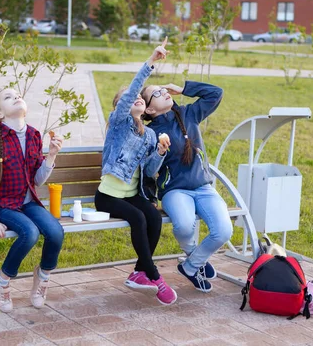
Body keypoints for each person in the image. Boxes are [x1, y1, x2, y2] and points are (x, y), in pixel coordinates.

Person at [95, 38, 177, 305]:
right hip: (108, 196)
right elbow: (131, 92)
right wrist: (151, 61)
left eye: (140, 99)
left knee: (152, 216)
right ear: (121, 106)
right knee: (138, 220)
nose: (137, 100)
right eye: (130, 99)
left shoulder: (151, 134)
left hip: (132, 194)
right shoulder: (118, 124)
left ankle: (139, 273)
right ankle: (153, 274)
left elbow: (151, 171)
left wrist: (161, 152)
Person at [0, 88, 64, 312]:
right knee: (30, 233)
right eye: (8, 97)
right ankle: (1, 280)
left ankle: (42, 276)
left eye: (17, 95)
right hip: (4, 205)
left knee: (55, 232)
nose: (16, 97)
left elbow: (37, 179)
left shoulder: (34, 135)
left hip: (28, 203)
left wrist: (51, 156)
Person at [141, 77, 230, 293]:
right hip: (175, 191)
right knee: (183, 224)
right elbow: (149, 172)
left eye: (163, 89)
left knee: (223, 231)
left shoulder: (189, 114)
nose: (163, 92)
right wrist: (160, 152)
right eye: (157, 93)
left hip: (203, 187)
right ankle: (195, 256)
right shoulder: (150, 133)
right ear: (150, 110)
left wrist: (184, 89)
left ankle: (190, 266)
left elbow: (216, 92)